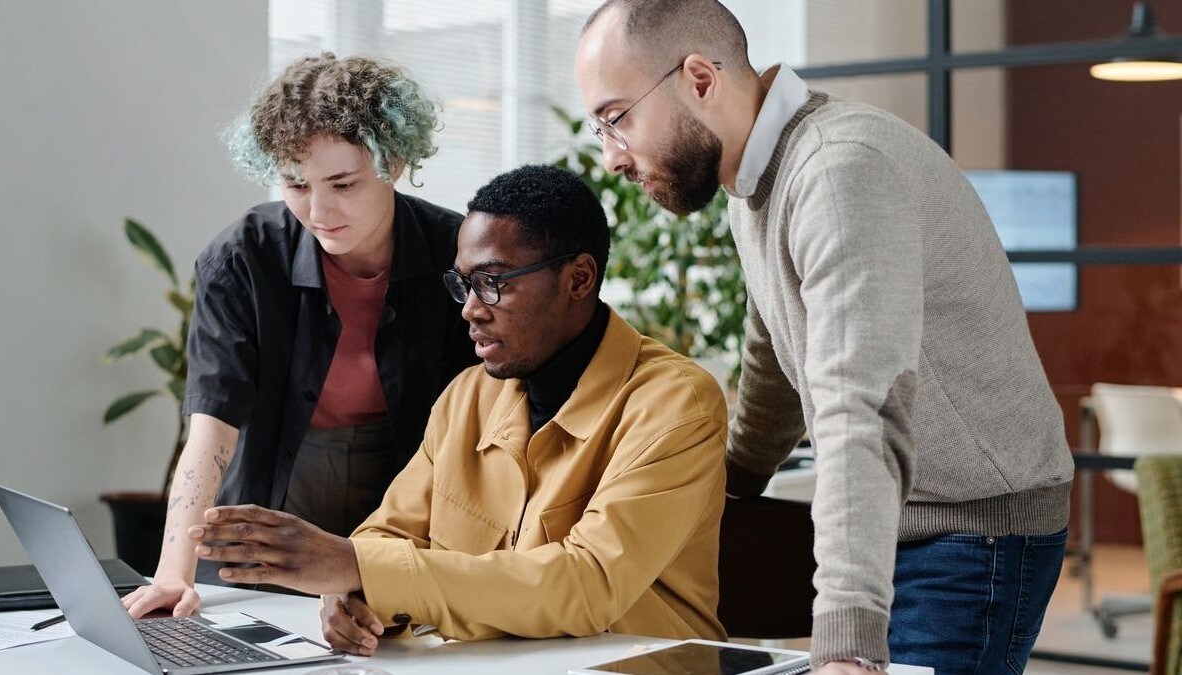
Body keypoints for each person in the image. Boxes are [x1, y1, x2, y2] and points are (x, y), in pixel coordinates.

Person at [574, 2, 1075, 673]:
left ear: (699, 80)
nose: (610, 157)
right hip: (909, 510)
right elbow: (774, 349)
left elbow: (859, 408)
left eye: (616, 119)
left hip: (969, 529)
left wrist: (844, 641)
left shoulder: (838, 174)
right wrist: (731, 482)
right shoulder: (757, 177)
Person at [185, 164, 729, 653]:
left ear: (578, 279)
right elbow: (388, 534)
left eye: (493, 283)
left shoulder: (677, 405)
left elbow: (588, 584)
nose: (470, 310)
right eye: (463, 284)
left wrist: (355, 567)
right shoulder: (467, 396)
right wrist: (349, 593)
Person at [122, 53, 477, 619]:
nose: (319, 210)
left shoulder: (456, 252)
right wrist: (171, 574)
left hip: (405, 502)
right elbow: (212, 429)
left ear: (396, 162)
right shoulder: (242, 256)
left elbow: (490, 421)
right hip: (269, 502)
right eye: (295, 183)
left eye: (343, 183)